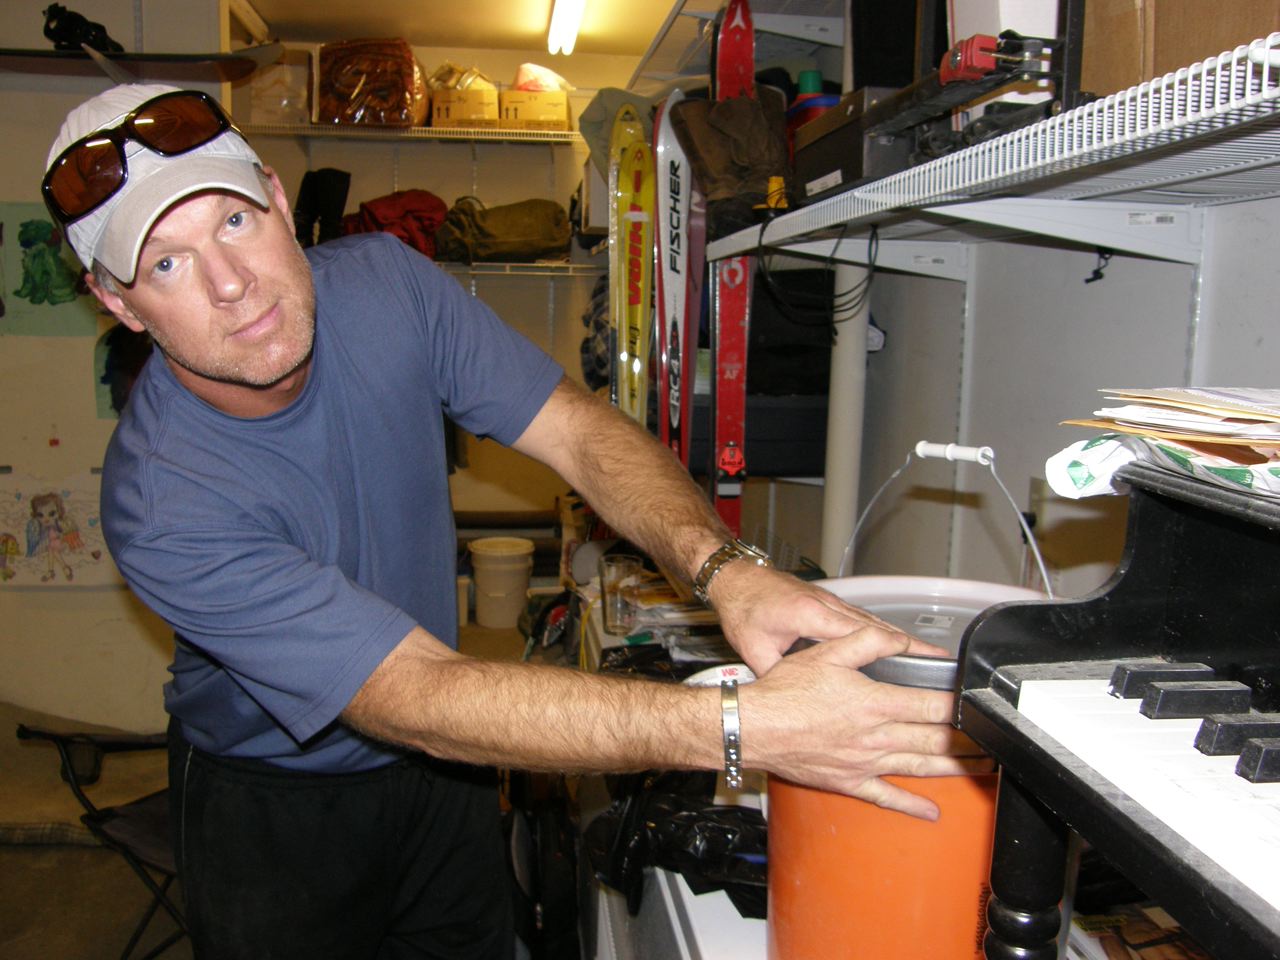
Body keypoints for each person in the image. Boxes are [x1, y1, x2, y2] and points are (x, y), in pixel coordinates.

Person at [44, 83, 986, 958]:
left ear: (281, 203)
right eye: (167, 263)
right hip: (277, 810)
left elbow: (576, 433)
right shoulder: (162, 496)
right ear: (120, 303)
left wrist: (726, 570)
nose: (231, 284)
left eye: (235, 222)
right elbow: (413, 692)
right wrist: (741, 726)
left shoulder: (388, 286)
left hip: (444, 777)